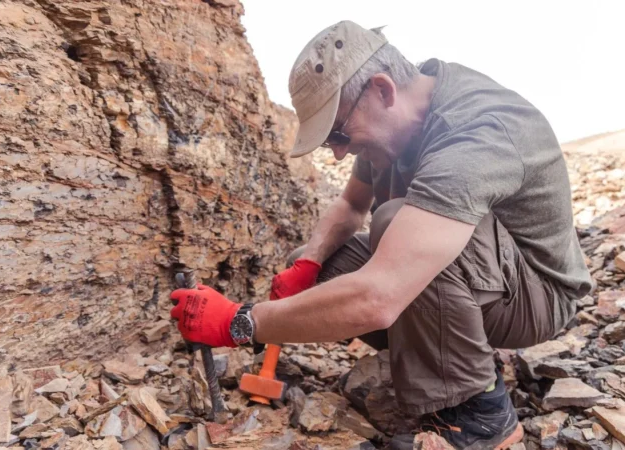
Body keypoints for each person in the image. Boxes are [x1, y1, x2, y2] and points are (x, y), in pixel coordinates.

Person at [169, 20, 593, 450]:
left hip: (539, 296)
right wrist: (309, 261)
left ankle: (482, 414)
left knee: (394, 224)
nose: (336, 152)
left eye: (337, 133)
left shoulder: (477, 135)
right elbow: (351, 206)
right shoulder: (396, 124)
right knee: (330, 264)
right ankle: (443, 354)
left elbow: (379, 295)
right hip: (487, 282)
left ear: (383, 90)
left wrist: (241, 322)